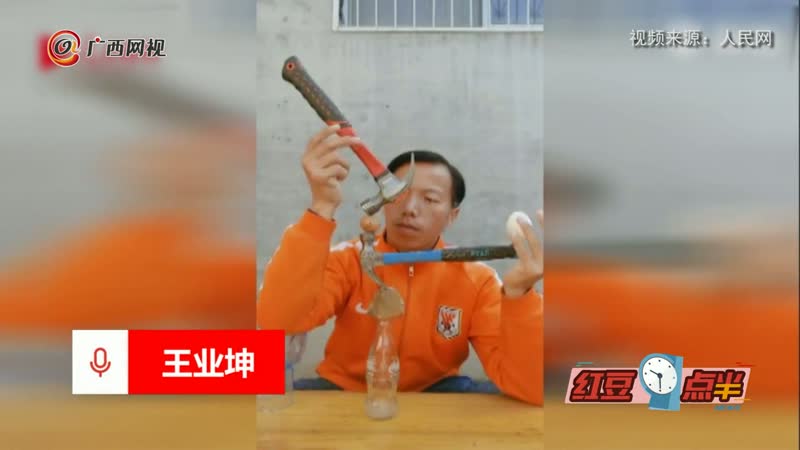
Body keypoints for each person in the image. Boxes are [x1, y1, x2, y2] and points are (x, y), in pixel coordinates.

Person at [257, 124, 543, 405]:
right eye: (398, 194)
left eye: (430, 199)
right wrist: (321, 206)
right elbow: (279, 322)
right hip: (347, 388)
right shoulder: (349, 259)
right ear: (383, 201)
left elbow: (529, 386)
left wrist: (520, 297)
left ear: (452, 215)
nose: (410, 209)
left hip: (436, 391)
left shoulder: (477, 279)